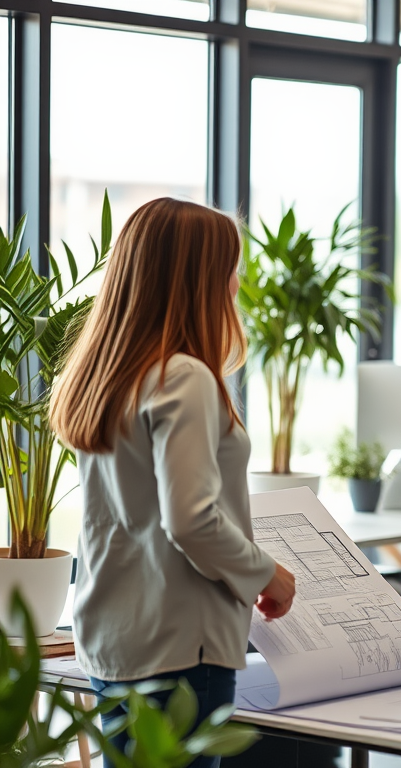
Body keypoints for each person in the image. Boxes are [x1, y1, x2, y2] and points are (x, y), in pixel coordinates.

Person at [50, 198, 296, 768]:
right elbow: (191, 517)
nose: (236, 284)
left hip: (115, 636)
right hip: (181, 647)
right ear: (197, 281)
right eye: (228, 269)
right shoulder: (183, 376)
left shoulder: (112, 377)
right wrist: (265, 573)